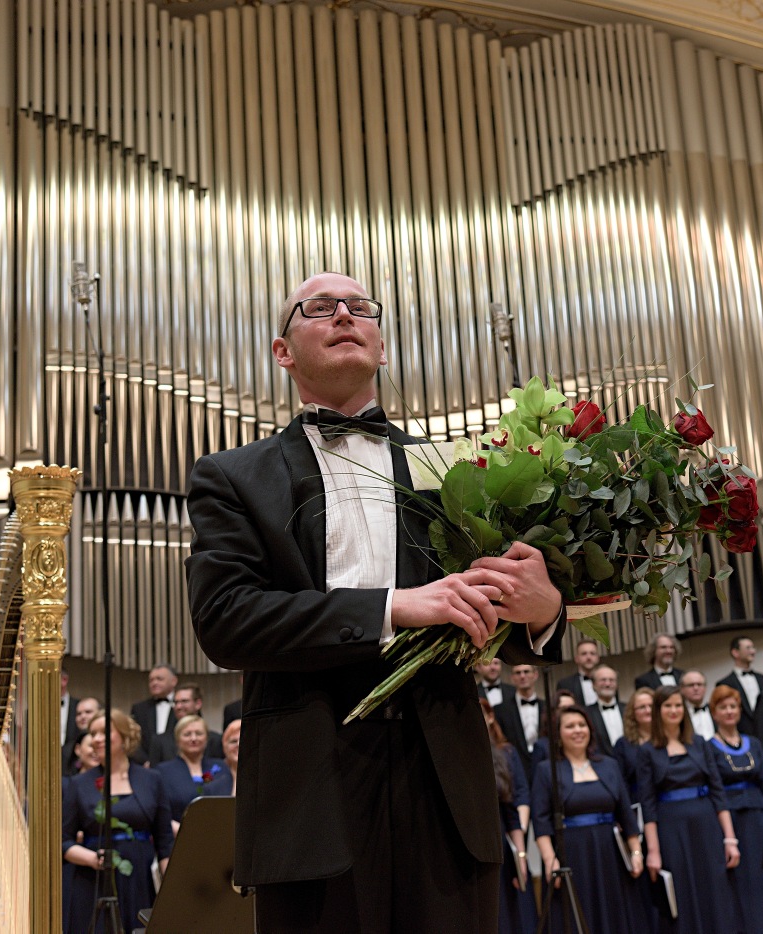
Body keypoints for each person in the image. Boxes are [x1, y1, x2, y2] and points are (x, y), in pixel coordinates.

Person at [185, 272, 565, 932]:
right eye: (319, 308)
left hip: (445, 785)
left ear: (381, 346)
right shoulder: (234, 477)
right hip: (310, 789)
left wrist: (543, 609)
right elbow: (226, 620)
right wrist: (391, 607)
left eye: (360, 307)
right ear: (283, 351)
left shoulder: (455, 467)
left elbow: (496, 600)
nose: (343, 314)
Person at [636, 686, 741, 933]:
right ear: (658, 711)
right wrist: (653, 851)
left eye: (678, 705)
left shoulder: (700, 743)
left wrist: (730, 838)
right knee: (681, 890)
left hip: (706, 824)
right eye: (668, 706)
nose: (674, 710)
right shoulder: (647, 751)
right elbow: (648, 804)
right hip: (671, 828)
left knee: (714, 887)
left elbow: (718, 792)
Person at [532, 707, 644, 934]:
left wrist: (636, 852)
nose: (577, 730)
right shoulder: (547, 770)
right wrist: (550, 860)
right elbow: (541, 821)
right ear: (558, 733)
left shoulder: (609, 765)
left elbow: (625, 813)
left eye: (582, 725)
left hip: (609, 854)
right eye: (570, 726)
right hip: (571, 854)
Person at [63, 710, 174, 933]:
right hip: (93, 880)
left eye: (103, 732)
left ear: (124, 737)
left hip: (139, 878)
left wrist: (173, 890)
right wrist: (92, 859)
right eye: (92, 733)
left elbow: (165, 843)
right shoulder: (79, 783)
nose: (95, 739)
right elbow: (63, 841)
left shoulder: (152, 779)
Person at [707, 685, 763, 934]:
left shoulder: (753, 743)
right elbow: (714, 788)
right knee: (738, 881)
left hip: (758, 815)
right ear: (714, 713)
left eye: (733, 706)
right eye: (723, 707)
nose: (729, 711)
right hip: (730, 820)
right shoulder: (709, 747)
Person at [479, 700, 535, 934]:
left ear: (490, 717)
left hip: (498, 838)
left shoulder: (504, 753)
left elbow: (512, 813)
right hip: (471, 839)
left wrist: (521, 856)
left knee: (506, 911)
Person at [153, 714, 232, 828]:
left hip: (221, 831)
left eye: (199, 733)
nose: (194, 738)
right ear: (177, 739)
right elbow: (159, 811)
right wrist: (181, 831)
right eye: (187, 734)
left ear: (207, 738)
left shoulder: (221, 767)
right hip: (178, 834)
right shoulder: (163, 771)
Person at [150, 683, 224, 764]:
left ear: (198, 704)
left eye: (184, 701)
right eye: (176, 702)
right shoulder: (160, 741)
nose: (178, 707)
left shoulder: (215, 740)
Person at [715, 635, 763, 738]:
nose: (753, 651)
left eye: (753, 648)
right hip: (740, 737)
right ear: (735, 652)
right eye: (748, 648)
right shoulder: (725, 683)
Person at [129, 664, 178, 765]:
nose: (154, 683)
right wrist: (145, 761)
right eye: (151, 680)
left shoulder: (183, 705)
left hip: (177, 764)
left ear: (173, 681)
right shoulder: (139, 709)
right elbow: (133, 738)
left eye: (159, 679)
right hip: (146, 766)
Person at [614, 688, 655, 793]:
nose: (648, 711)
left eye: (651, 706)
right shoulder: (622, 744)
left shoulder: (668, 739)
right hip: (636, 798)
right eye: (642, 707)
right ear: (632, 713)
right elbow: (621, 782)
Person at [584, 664, 625, 756]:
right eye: (603, 680)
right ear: (593, 685)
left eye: (611, 680)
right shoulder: (586, 713)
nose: (607, 684)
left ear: (617, 685)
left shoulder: (628, 709)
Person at [557, 638, 602, 706]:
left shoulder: (608, 681)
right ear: (576, 658)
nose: (588, 657)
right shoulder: (565, 684)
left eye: (592, 653)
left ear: (598, 658)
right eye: (584, 654)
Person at [679, 670, 714, 739]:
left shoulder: (715, 710)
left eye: (699, 684)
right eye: (691, 685)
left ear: (705, 687)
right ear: (682, 689)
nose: (696, 688)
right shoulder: (679, 714)